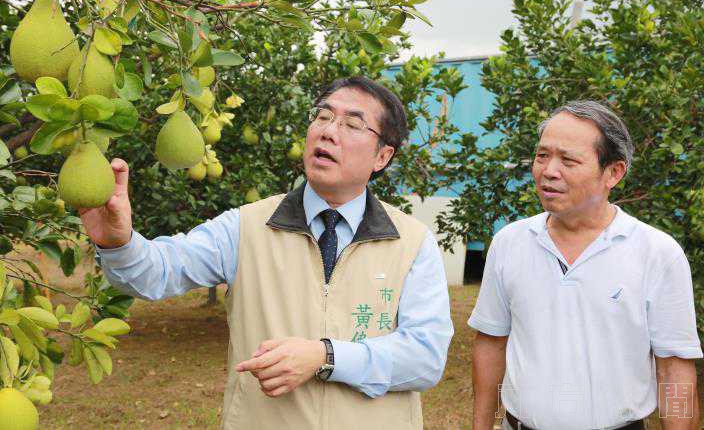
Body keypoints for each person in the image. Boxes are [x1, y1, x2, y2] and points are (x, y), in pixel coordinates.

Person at [80, 76, 453, 430]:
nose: (327, 131)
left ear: (382, 157)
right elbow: (157, 272)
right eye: (323, 116)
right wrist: (118, 241)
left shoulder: (411, 242)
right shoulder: (247, 227)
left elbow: (425, 358)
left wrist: (326, 356)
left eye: (352, 125)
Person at [469, 100, 702, 429]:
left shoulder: (656, 253)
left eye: (568, 160)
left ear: (614, 173)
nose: (549, 170)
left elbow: (674, 368)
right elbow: (491, 342)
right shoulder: (511, 243)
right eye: (542, 155)